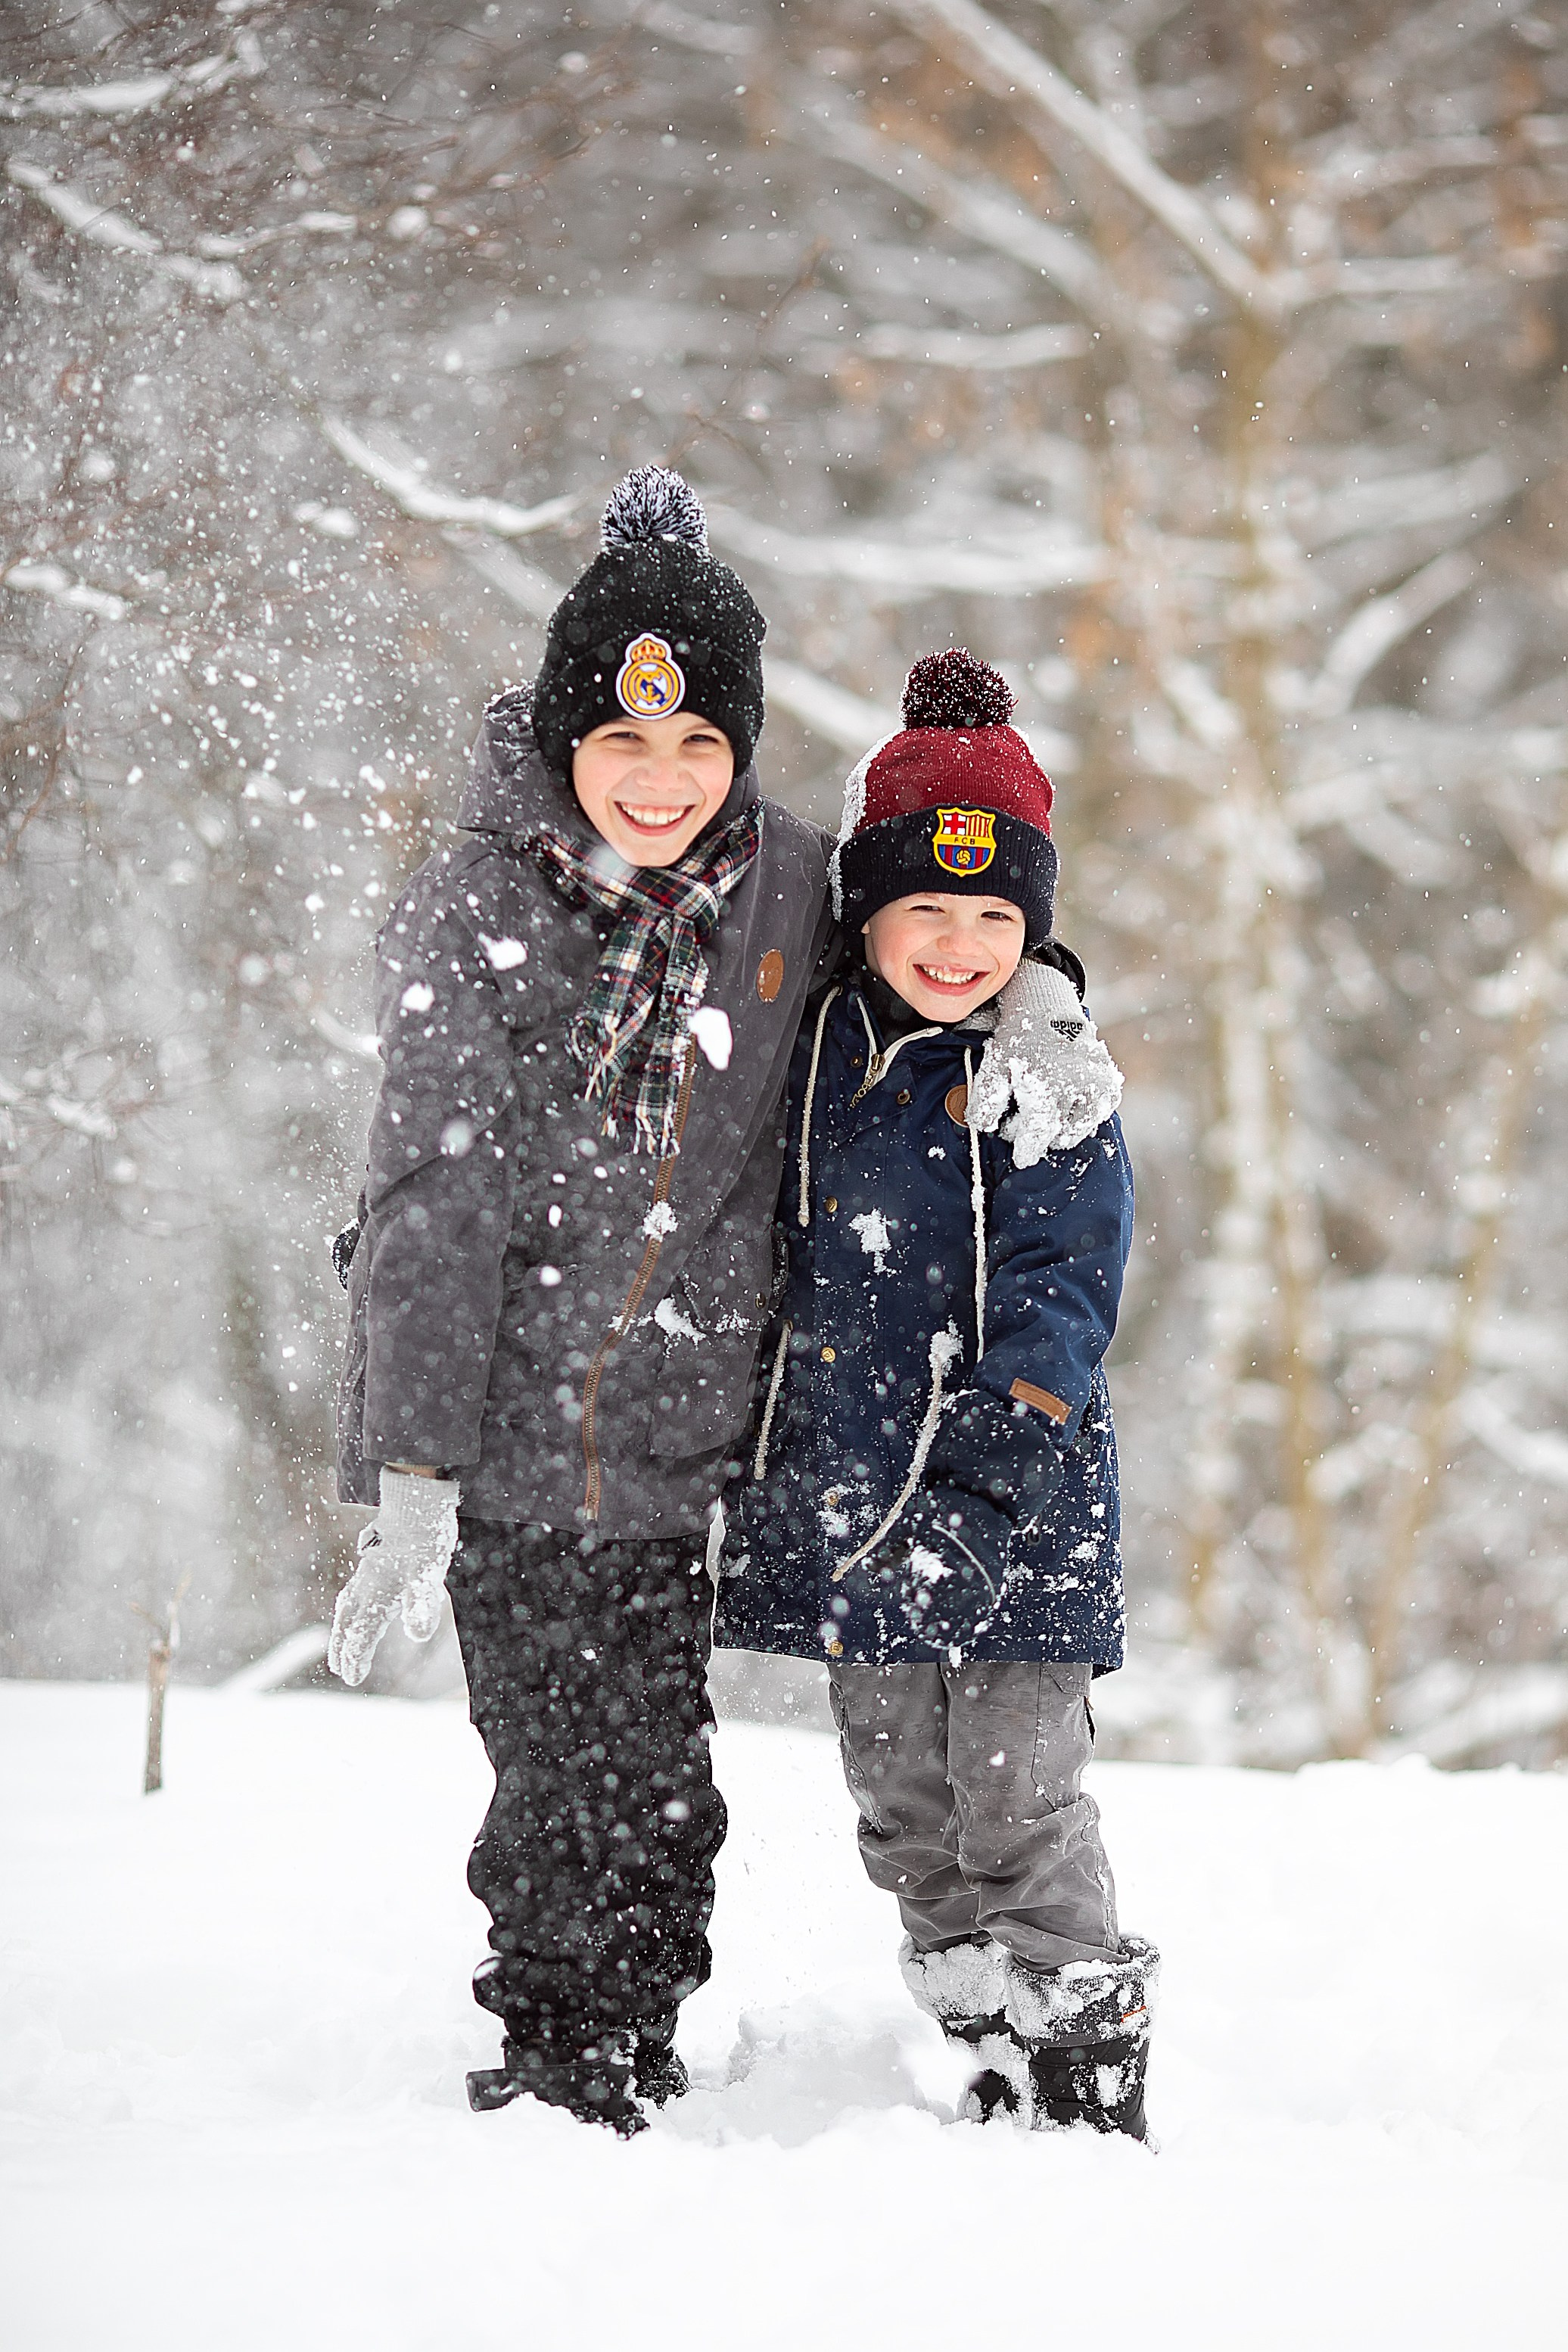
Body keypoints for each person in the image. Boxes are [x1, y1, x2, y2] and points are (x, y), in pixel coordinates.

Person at [328, 467, 832, 2136]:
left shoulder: (790, 892)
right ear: (564, 740)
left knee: (666, 1797)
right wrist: (414, 1467)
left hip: (678, 1444)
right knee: (555, 1793)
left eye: (698, 743)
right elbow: (432, 1199)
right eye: (622, 740)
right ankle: (560, 2074)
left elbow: (943, 945)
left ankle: (637, 2054)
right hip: (514, 1444)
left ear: (740, 748)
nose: (660, 778)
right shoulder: (478, 904)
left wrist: (1040, 985)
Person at [715, 649, 1159, 2139]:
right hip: (857, 1499)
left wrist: (992, 1462)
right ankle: (984, 2042)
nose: (960, 945)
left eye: (993, 918)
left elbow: (1067, 1286)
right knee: (904, 1808)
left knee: (1015, 1801)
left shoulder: (1049, 1065)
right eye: (926, 911)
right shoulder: (818, 1048)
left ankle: (1079, 2077)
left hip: (1014, 1506)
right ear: (868, 913)